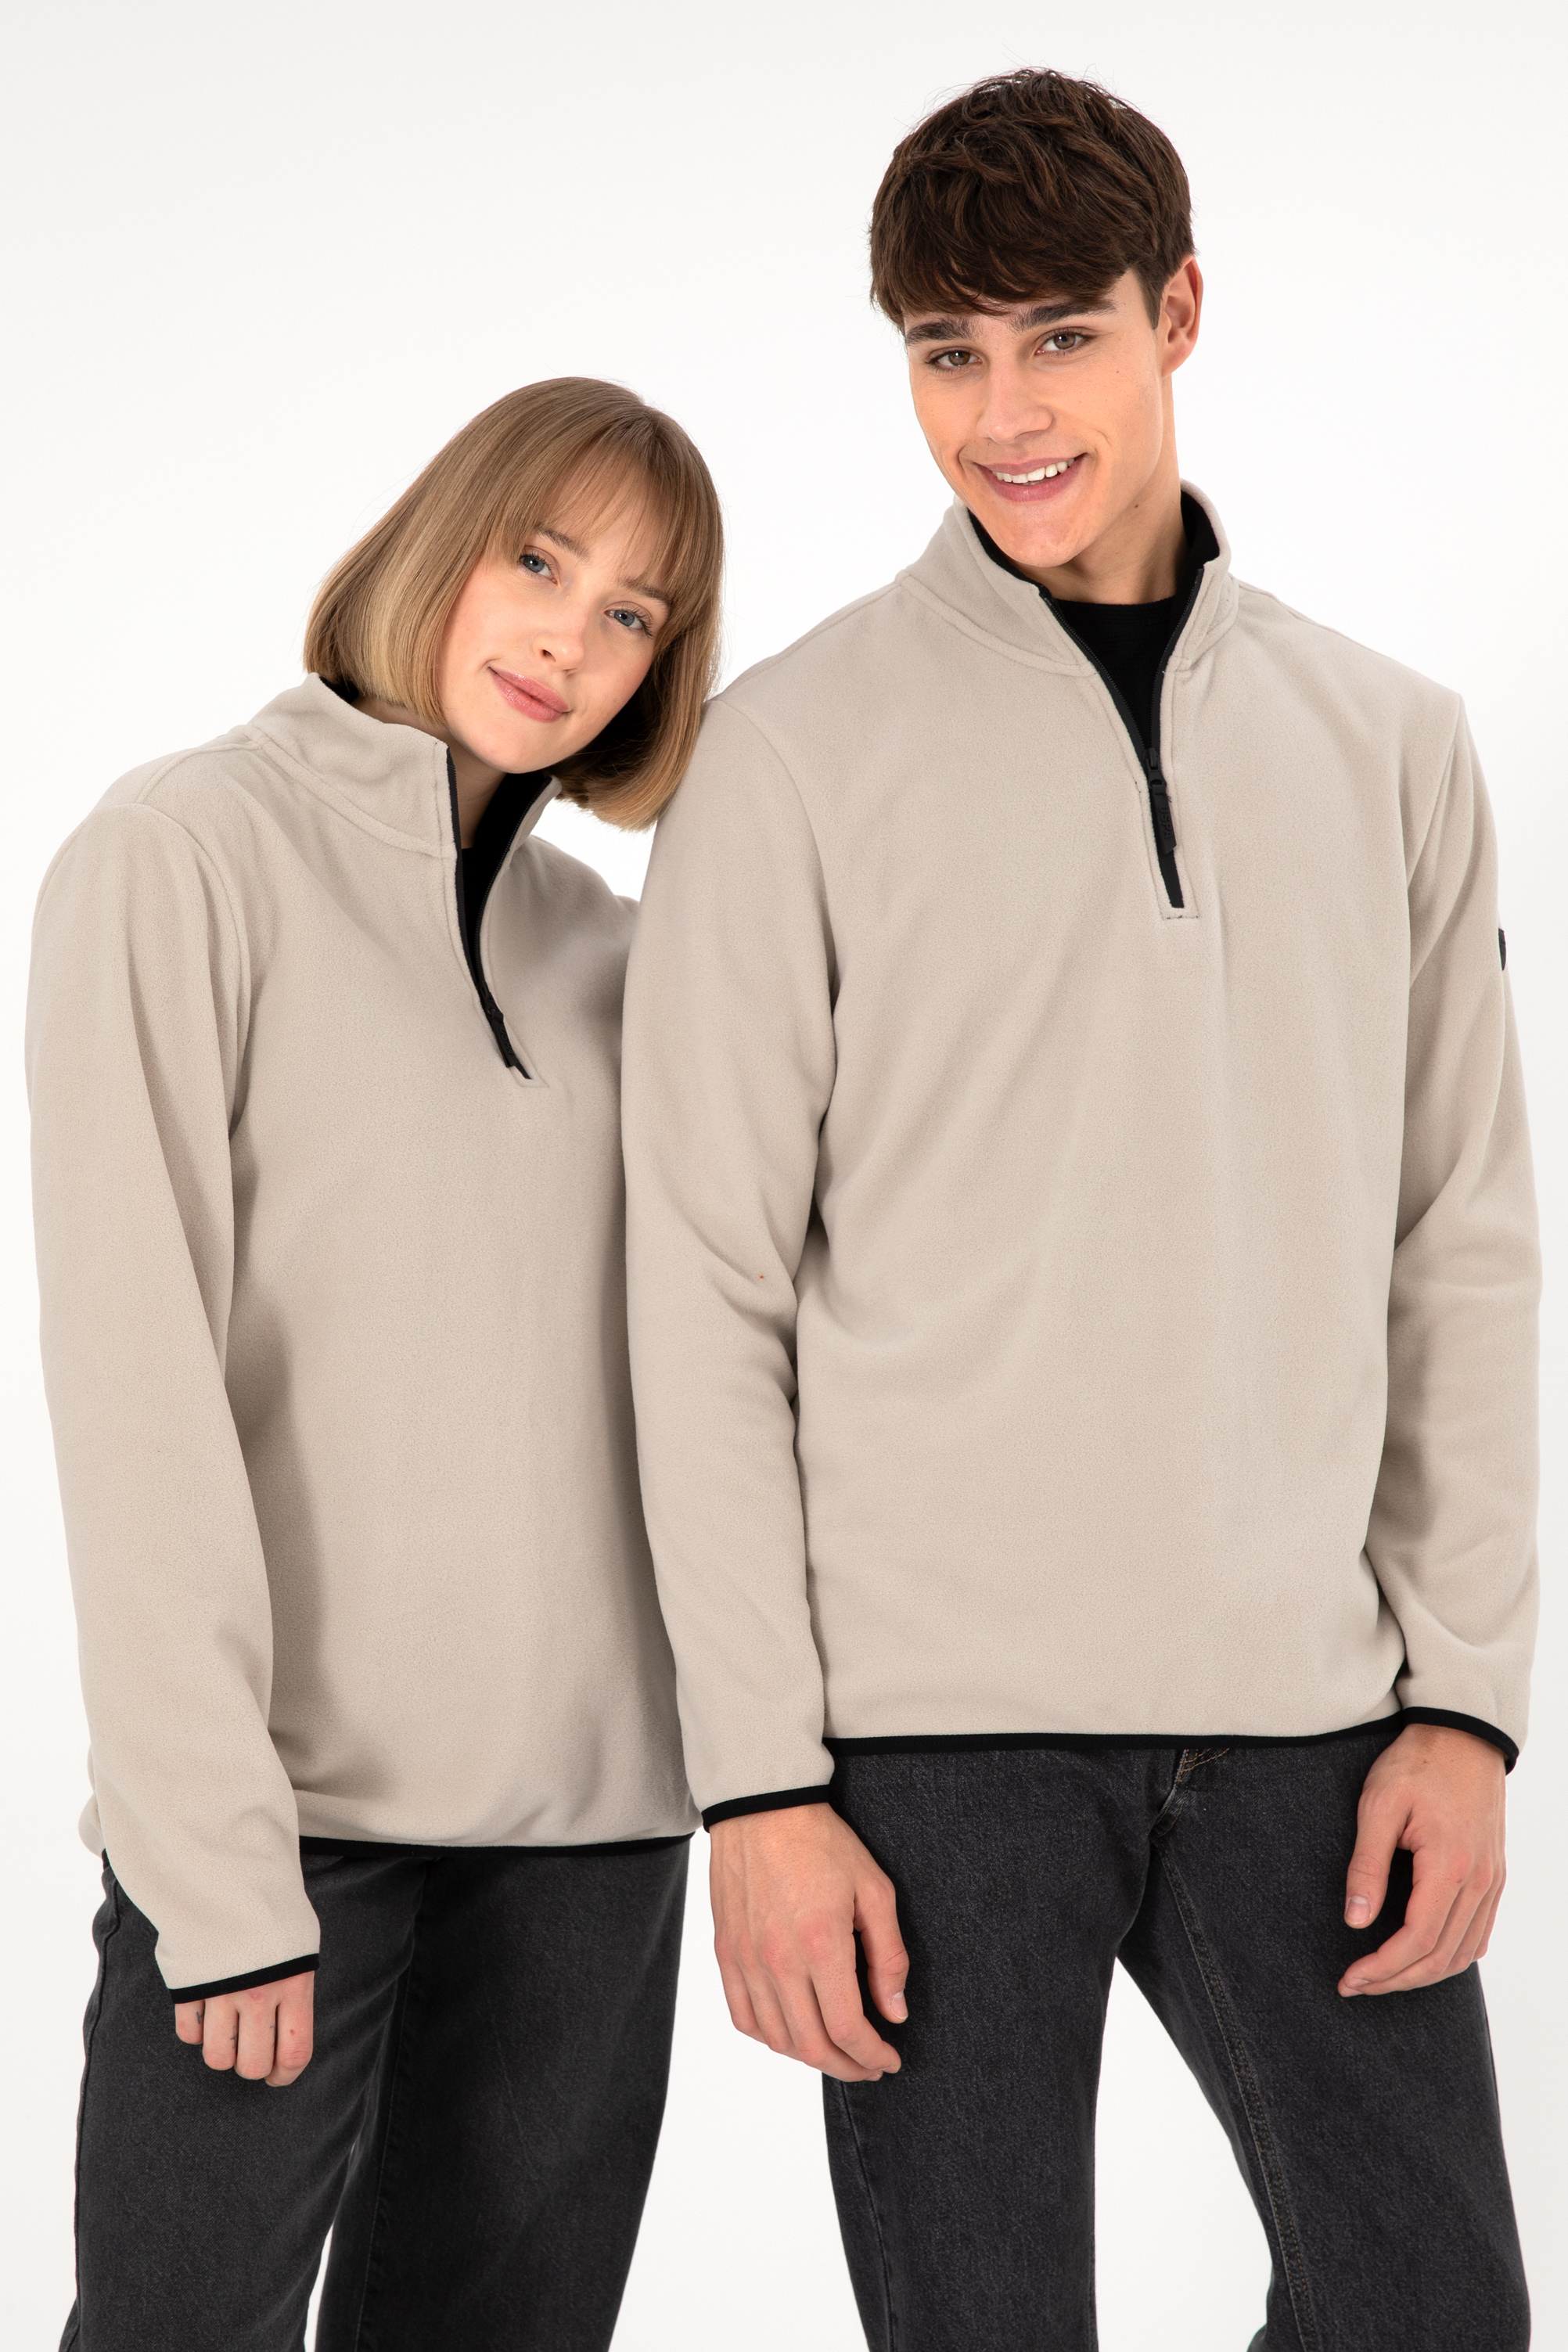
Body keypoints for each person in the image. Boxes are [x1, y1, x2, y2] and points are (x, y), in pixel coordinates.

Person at [620, 71, 1537, 2352]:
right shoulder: (791, 754)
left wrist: (1465, 1704)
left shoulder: (1389, 741)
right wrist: (759, 1785)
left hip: (1310, 1716)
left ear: (1178, 313)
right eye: (948, 353)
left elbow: (1461, 1241)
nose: (1003, 414)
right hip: (929, 1749)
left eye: (1059, 338)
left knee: (1433, 2306)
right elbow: (703, 1291)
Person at [28, 377, 722, 2351]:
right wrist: (214, 1872)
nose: (569, 641)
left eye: (633, 613)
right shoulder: (182, 855)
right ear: (438, 538)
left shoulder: (620, 958)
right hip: (287, 1839)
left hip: (592, 1845)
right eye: (538, 561)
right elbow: (134, 1393)